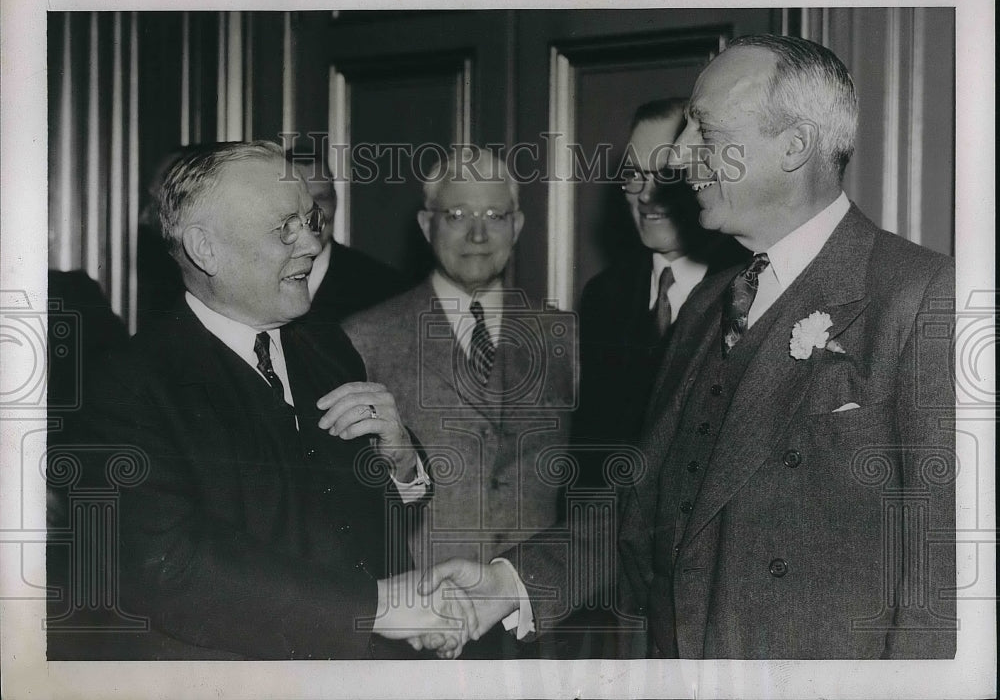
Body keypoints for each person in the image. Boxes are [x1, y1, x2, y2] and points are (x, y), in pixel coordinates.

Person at [418, 34, 956, 659]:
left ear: (795, 146)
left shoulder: (921, 297)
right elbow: (645, 507)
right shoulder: (710, 303)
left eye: (703, 129)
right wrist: (508, 583)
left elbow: (942, 580)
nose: (676, 155)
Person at [57, 140, 477, 659]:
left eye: (311, 220)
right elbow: (170, 566)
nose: (312, 245)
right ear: (204, 248)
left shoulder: (326, 345)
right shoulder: (127, 385)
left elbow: (351, 523)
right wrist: (378, 608)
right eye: (285, 229)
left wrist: (402, 463)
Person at [342, 145, 577, 658]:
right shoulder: (365, 337)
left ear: (517, 226)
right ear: (427, 225)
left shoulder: (562, 334)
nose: (477, 234)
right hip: (423, 618)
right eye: (457, 216)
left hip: (535, 619)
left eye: (495, 216)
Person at [576, 98, 746, 468]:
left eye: (665, 175)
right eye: (634, 175)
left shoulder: (747, 287)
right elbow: (589, 448)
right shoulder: (602, 296)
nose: (646, 196)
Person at [284, 147, 409, 323]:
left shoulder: (384, 288)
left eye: (322, 197)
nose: (313, 213)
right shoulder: (253, 283)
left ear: (335, 200)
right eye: (297, 199)